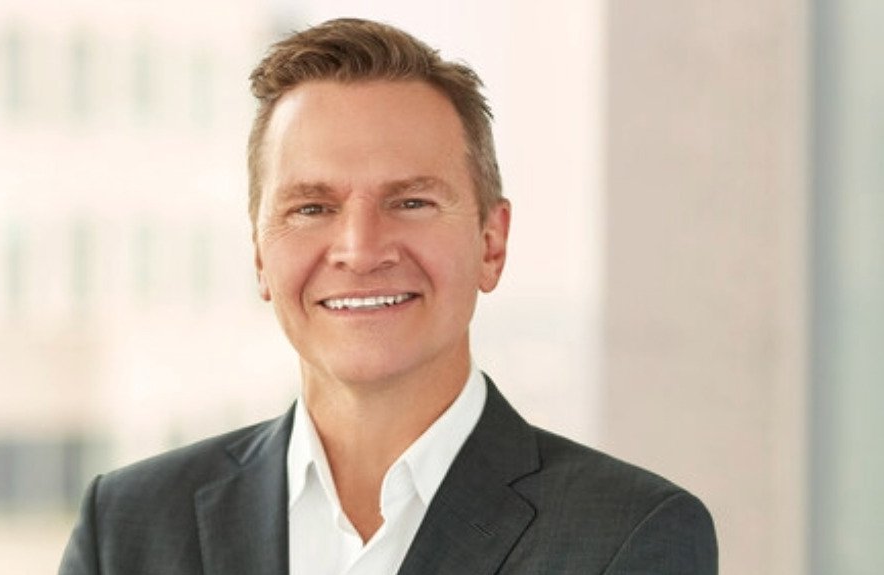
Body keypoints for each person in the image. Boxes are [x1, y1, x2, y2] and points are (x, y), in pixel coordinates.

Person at [59, 18, 717, 574]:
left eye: (410, 202)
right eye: (312, 207)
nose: (361, 249)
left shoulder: (629, 535)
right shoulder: (127, 527)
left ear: (491, 243)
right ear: (260, 254)